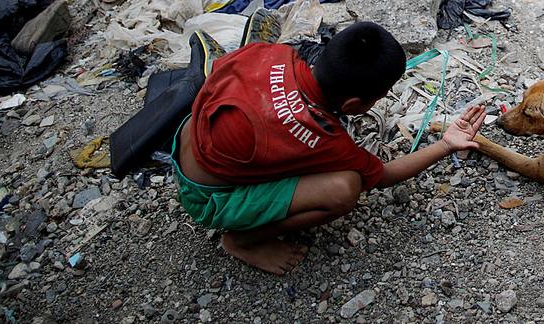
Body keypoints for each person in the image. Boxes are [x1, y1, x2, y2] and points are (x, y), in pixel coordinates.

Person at [172, 20, 485, 274]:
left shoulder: (270, 52)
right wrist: (446, 144)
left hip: (188, 141)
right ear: (353, 104)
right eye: (380, 96)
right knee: (344, 189)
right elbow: (383, 177)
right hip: (209, 198)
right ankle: (242, 240)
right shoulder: (322, 137)